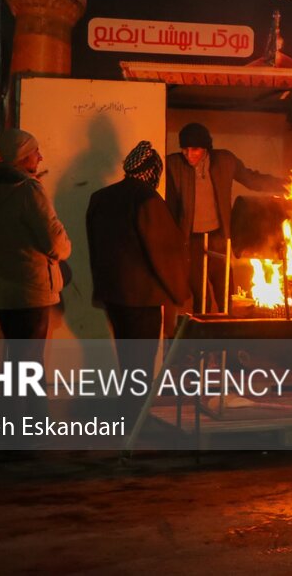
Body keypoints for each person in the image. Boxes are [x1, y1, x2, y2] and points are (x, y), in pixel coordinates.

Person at [86, 141, 190, 394]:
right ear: (153, 171)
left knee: (127, 359)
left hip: (112, 295)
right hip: (142, 300)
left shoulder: (100, 197)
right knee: (141, 365)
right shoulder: (148, 200)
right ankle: (135, 421)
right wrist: (181, 292)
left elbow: (95, 245)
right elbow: (164, 252)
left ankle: (127, 415)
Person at [0, 128, 72, 363]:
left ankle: (13, 401)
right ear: (23, 155)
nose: (40, 157)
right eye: (35, 151)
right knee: (30, 367)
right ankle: (29, 402)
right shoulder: (29, 190)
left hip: (1, 287)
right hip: (32, 291)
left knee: (18, 362)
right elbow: (58, 244)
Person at [164, 122, 283, 315]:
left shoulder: (225, 161)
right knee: (201, 299)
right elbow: (168, 204)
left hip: (218, 237)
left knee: (224, 295)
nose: (189, 154)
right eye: (184, 149)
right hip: (191, 241)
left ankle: (226, 341)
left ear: (205, 148)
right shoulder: (174, 165)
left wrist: (287, 184)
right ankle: (202, 342)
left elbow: (252, 180)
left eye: (194, 149)